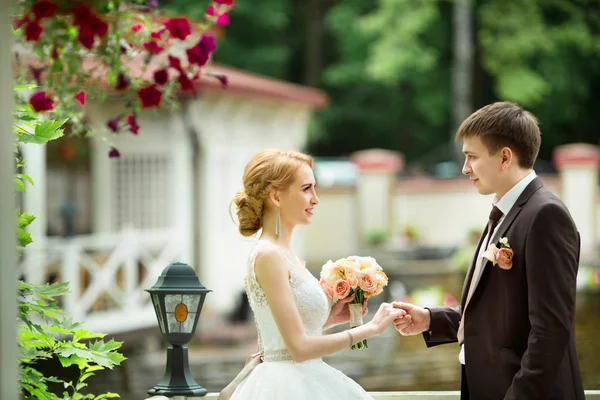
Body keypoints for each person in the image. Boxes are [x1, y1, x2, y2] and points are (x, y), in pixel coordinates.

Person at [393, 102, 585, 400]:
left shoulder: (545, 215)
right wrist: (432, 319)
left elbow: (550, 332)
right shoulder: (506, 212)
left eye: (472, 157)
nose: (465, 168)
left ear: (505, 157)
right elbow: (501, 314)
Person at [226, 149, 405, 400]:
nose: (316, 199)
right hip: (283, 386)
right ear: (277, 196)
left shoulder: (287, 254)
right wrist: (370, 329)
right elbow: (297, 349)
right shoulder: (269, 255)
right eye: (306, 188)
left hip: (306, 375)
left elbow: (288, 333)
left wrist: (331, 319)